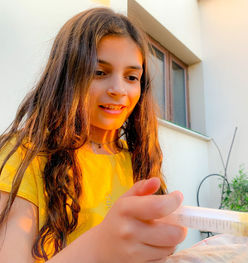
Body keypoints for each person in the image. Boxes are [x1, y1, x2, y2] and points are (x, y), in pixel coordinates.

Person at [0, 7, 186, 263]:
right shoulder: (26, 154)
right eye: (99, 72)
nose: (119, 90)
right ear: (67, 75)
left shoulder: (136, 158)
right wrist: (99, 248)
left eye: (132, 77)